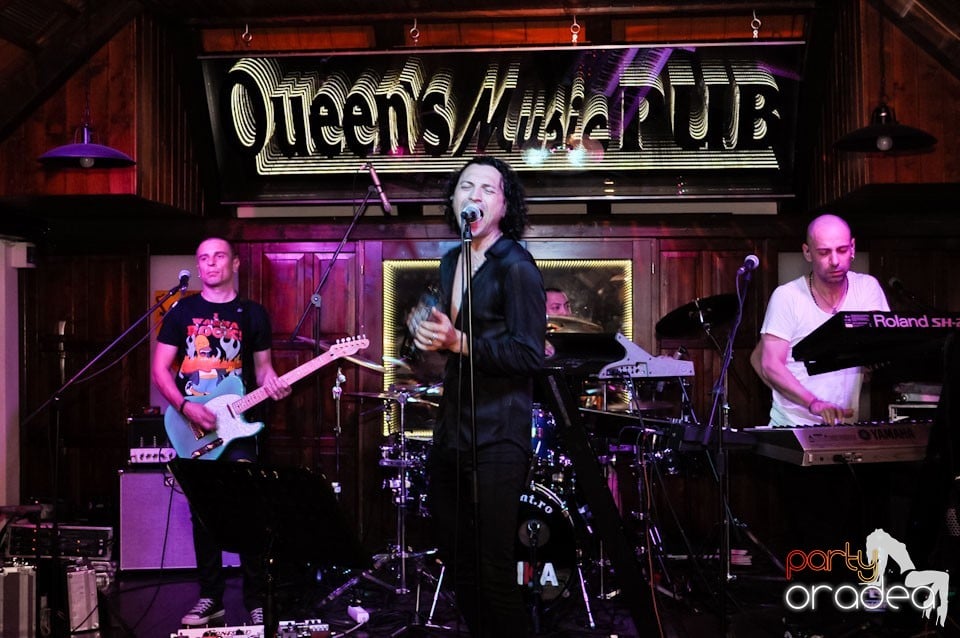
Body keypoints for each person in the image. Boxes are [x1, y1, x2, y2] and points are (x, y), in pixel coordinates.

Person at [410, 156, 546, 637]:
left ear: (505, 206)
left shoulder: (517, 267)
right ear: (453, 200)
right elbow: (444, 348)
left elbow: (529, 355)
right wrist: (426, 337)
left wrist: (459, 342)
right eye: (466, 187)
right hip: (453, 432)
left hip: (498, 434)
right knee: (458, 562)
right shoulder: (451, 261)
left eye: (489, 189)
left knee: (494, 569)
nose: (475, 196)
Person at [152, 237, 291, 627]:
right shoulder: (182, 311)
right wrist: (186, 407)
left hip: (237, 428)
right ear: (198, 267)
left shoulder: (253, 314)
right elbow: (160, 370)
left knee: (248, 510)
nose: (210, 264)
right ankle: (210, 597)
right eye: (203, 259)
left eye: (218, 257)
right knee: (204, 512)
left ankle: (256, 598)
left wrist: (274, 382)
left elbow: (263, 370)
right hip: (191, 424)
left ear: (235, 264)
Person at [751, 213, 889, 426]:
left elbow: (881, 346)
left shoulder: (867, 289)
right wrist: (813, 403)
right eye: (824, 252)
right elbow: (768, 363)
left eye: (842, 250)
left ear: (852, 248)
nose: (835, 261)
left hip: (842, 426)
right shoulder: (787, 296)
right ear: (807, 252)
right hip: (792, 424)